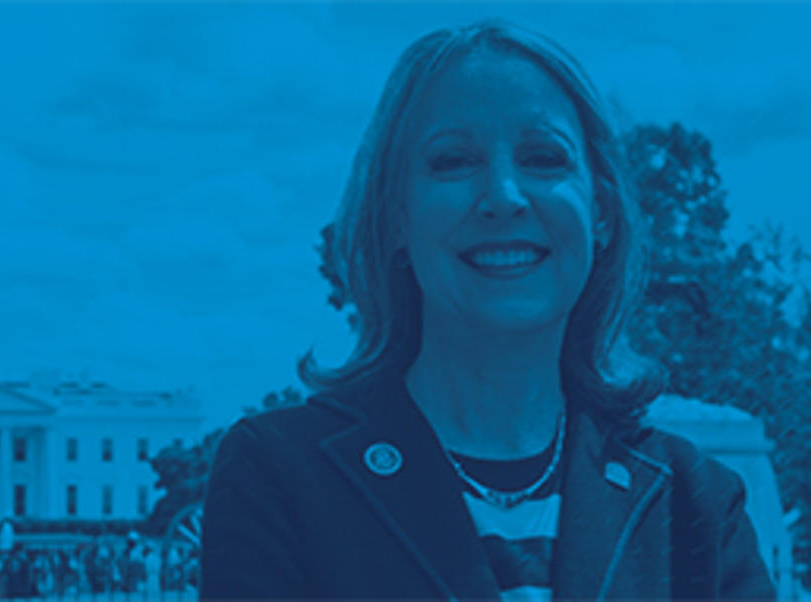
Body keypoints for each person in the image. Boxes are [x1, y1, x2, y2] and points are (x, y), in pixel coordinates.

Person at [199, 19, 778, 601]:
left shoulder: (697, 508)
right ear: (396, 216)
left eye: (543, 158)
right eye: (453, 161)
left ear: (600, 213)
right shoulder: (279, 476)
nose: (503, 196)